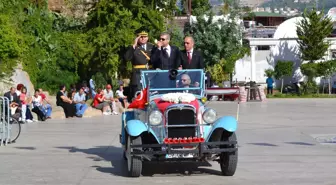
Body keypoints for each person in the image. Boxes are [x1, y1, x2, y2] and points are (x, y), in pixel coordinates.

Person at [124, 29, 154, 102]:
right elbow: (127, 58)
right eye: (141, 37)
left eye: (145, 36)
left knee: (150, 93)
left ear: (148, 37)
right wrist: (133, 45)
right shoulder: (134, 47)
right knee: (138, 93)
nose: (143, 38)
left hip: (149, 73)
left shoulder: (152, 47)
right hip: (138, 74)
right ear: (137, 38)